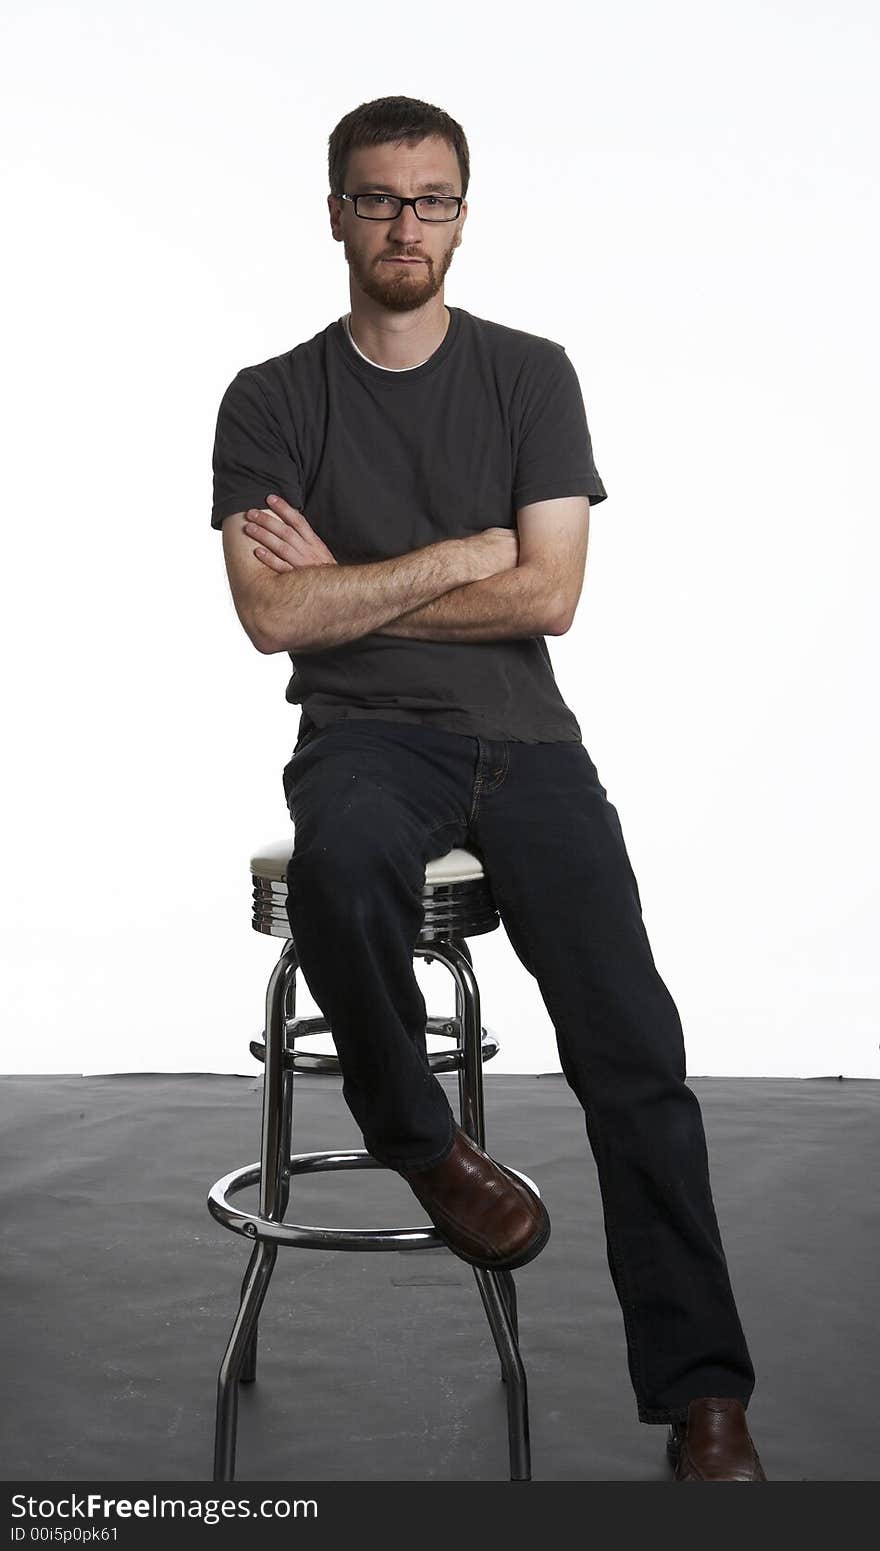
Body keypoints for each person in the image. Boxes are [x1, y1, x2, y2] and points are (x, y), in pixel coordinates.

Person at [210, 95, 766, 1483]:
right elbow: (274, 622)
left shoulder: (531, 375)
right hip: (365, 742)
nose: (407, 224)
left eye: (433, 199)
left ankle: (705, 1403)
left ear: (464, 212)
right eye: (381, 198)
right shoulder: (272, 397)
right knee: (341, 868)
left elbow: (554, 594)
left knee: (635, 1047)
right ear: (333, 211)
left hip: (529, 742)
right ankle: (422, 1142)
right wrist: (464, 553)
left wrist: (361, 584)